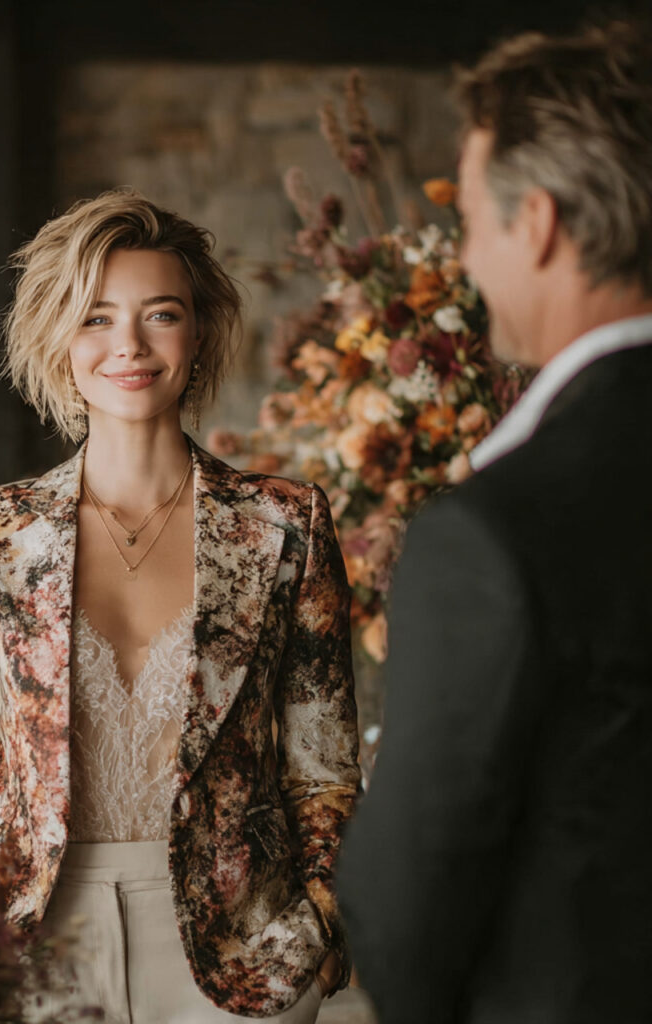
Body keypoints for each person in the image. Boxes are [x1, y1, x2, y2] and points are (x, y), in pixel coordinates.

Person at [0, 190, 361, 1022]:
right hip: (32, 943)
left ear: (199, 333)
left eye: (161, 314)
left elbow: (325, 769)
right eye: (96, 317)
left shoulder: (285, 523)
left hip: (245, 948)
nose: (129, 345)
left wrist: (319, 930)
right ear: (58, 339)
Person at [336, 22, 652, 1024]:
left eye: (471, 220)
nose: (465, 256)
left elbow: (403, 911)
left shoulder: (496, 530)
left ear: (541, 225)